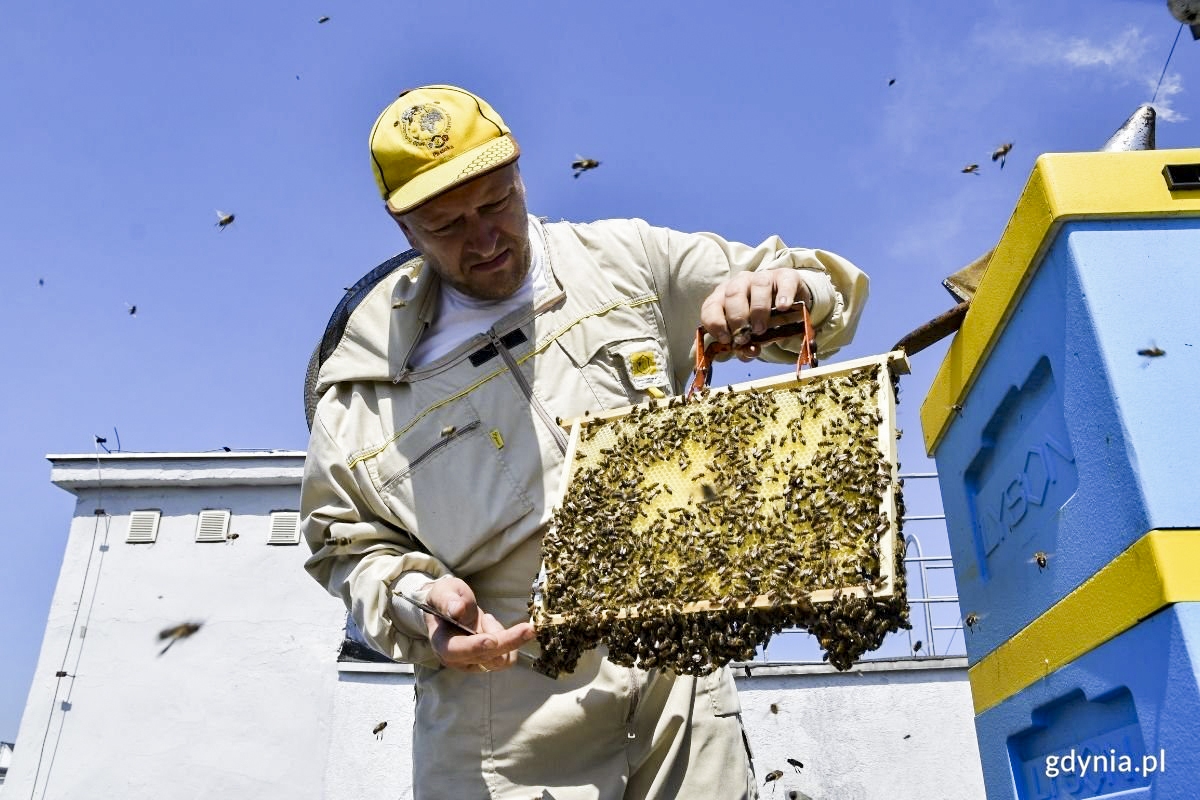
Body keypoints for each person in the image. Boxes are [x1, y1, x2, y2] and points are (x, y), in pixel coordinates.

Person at [300, 84, 868, 800]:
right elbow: (342, 544)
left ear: (520, 174)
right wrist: (417, 598)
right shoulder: (362, 380)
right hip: (502, 721)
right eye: (447, 224)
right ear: (404, 228)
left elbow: (815, 287)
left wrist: (781, 296)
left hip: (678, 691)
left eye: (496, 202)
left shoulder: (624, 260)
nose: (484, 240)